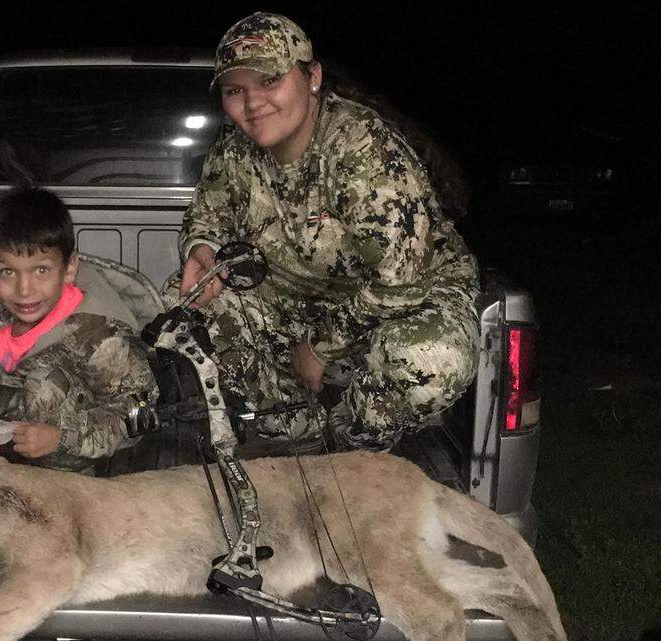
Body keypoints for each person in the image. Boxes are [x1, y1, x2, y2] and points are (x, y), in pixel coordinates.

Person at [178, 12, 480, 452]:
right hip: (302, 295)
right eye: (234, 90)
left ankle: (355, 444)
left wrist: (318, 347)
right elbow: (208, 214)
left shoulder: (360, 148)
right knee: (187, 300)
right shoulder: (234, 146)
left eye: (269, 81)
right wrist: (202, 248)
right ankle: (290, 430)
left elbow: (403, 283)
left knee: (428, 359)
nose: (252, 102)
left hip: (408, 298)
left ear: (312, 76)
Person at [0, 186, 157, 473]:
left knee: (45, 384)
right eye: (8, 272)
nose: (24, 290)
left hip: (63, 456)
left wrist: (62, 439)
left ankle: (54, 492)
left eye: (41, 270)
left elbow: (136, 413)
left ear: (69, 268)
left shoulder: (99, 336)